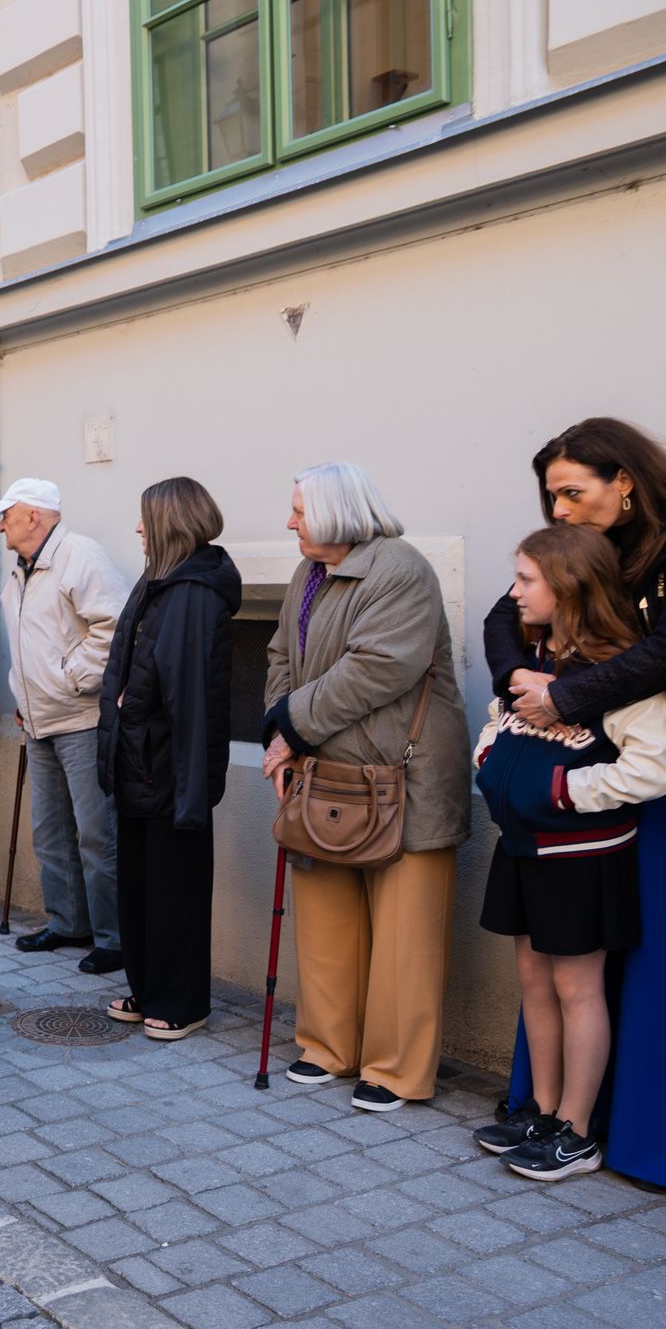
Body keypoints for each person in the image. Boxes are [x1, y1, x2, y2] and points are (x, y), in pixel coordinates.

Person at [483, 419, 666, 1202]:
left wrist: (562, 694)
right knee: (573, 965)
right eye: (551, 495)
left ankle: (663, 1142)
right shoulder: (578, 545)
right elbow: (506, 617)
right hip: (585, 783)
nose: (560, 510)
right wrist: (519, 687)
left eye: (574, 491)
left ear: (625, 481)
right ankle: (560, 1116)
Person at [471, 526, 666, 1180]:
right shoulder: (529, 662)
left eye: (526, 580)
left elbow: (653, 769)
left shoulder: (621, 672)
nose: (513, 593)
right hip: (522, 848)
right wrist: (488, 760)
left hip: (582, 855)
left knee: (576, 986)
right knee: (534, 980)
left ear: (568, 588)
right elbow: (495, 721)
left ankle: (578, 1132)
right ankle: (540, 1107)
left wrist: (562, 789)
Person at [260, 463, 471, 1110]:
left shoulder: (399, 569)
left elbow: (379, 668)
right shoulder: (308, 572)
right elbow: (278, 657)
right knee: (325, 922)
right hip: (324, 772)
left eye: (299, 510)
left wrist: (292, 727)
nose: (289, 521)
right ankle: (328, 1047)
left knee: (406, 935)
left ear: (337, 513)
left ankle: (396, 1068)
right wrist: (281, 730)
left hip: (402, 778)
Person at [97, 477, 238, 1042]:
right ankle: (150, 986)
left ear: (169, 522)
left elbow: (189, 697)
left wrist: (187, 785)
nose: (136, 528)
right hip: (140, 760)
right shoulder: (160, 581)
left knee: (174, 888)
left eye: (144, 518)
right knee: (140, 886)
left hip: (167, 768)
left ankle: (182, 1000)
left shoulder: (193, 592)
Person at [0, 477, 130, 972]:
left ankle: (113, 939)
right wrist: (24, 691)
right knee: (49, 832)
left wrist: (73, 679)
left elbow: (115, 625)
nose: (0, 522)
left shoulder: (80, 556)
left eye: (7, 512)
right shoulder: (21, 568)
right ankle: (68, 922)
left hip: (81, 718)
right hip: (39, 720)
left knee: (96, 835)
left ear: (34, 516)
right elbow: (29, 641)